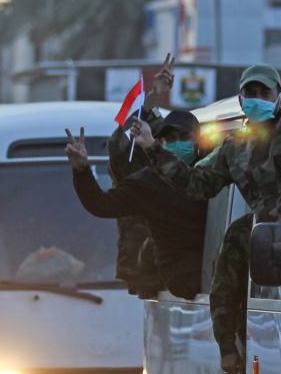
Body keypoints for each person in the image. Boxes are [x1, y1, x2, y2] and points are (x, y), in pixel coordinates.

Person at [133, 61, 281, 374]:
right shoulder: (234, 148)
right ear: (242, 101)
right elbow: (194, 183)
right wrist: (151, 147)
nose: (256, 98)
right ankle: (229, 350)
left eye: (263, 92)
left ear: (279, 98)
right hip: (266, 245)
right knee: (230, 260)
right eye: (250, 93)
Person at [65, 109, 208, 300]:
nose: (177, 143)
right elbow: (101, 204)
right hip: (183, 275)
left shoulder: (209, 170)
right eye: (171, 139)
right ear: (161, 143)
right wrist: (82, 171)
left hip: (212, 261)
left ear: (198, 139)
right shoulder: (150, 181)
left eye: (184, 137)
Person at [107, 54, 175, 296]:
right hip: (141, 269)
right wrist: (152, 98)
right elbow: (117, 150)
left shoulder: (175, 167)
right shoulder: (129, 170)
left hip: (175, 269)